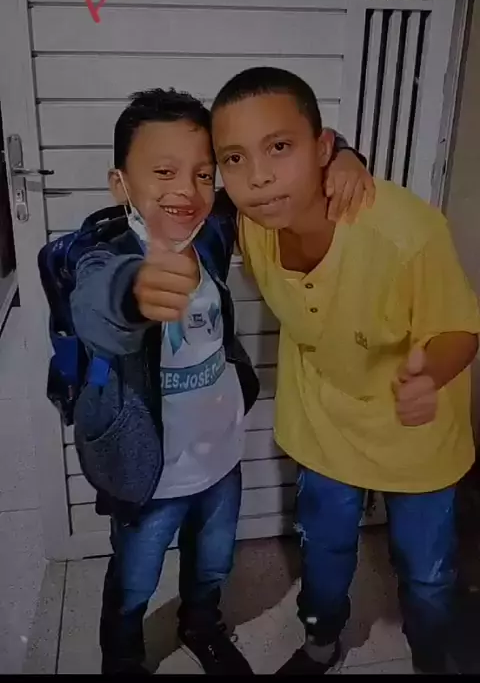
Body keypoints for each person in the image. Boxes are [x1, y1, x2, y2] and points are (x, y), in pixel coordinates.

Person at [69, 87, 371, 675]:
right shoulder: (102, 255)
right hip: (147, 472)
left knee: (212, 564)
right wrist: (134, 292)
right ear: (120, 184)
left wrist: (344, 158)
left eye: (204, 174)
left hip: (219, 458)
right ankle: (122, 656)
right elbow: (96, 302)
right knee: (134, 579)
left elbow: (278, 173)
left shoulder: (209, 231)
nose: (186, 190)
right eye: (163, 172)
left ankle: (201, 626)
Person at [204, 66, 480, 675]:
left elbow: (461, 330)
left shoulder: (407, 232)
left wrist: (428, 376)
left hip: (416, 431)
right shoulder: (247, 222)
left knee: (427, 570)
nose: (259, 176)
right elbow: (166, 203)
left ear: (323, 147)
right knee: (323, 551)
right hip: (323, 422)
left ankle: (431, 655)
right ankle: (321, 643)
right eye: (235, 159)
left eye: (280, 147)